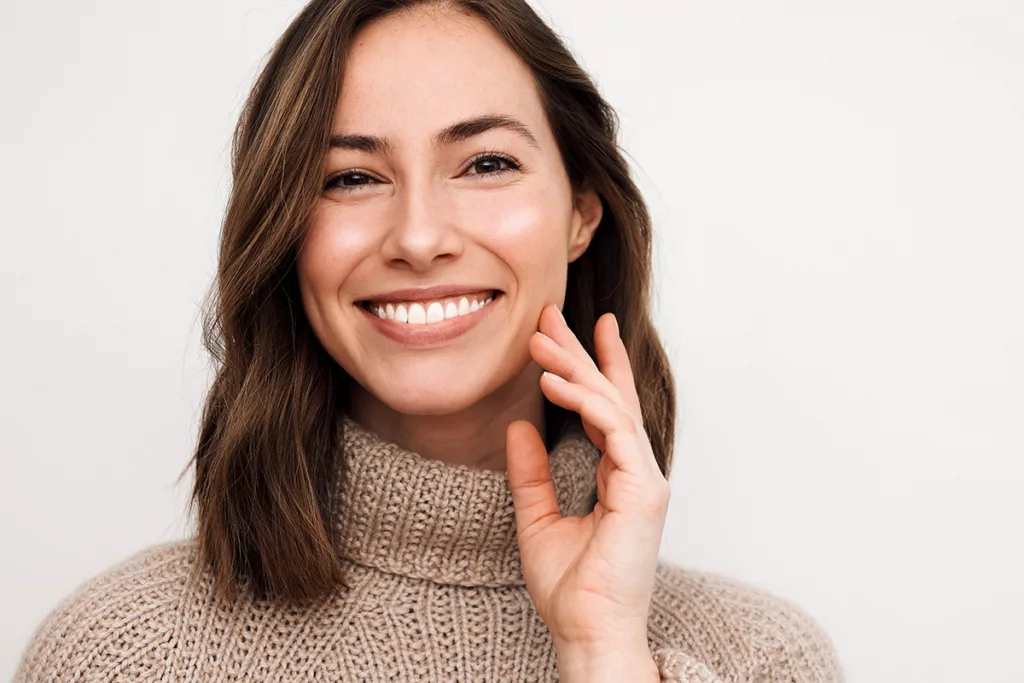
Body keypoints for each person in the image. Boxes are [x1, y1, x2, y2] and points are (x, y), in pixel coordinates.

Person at [14, 1, 843, 681]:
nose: (418, 236)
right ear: (284, 233)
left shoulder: (759, 658)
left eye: (485, 164)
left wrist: (604, 655)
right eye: (350, 177)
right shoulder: (118, 655)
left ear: (583, 212)